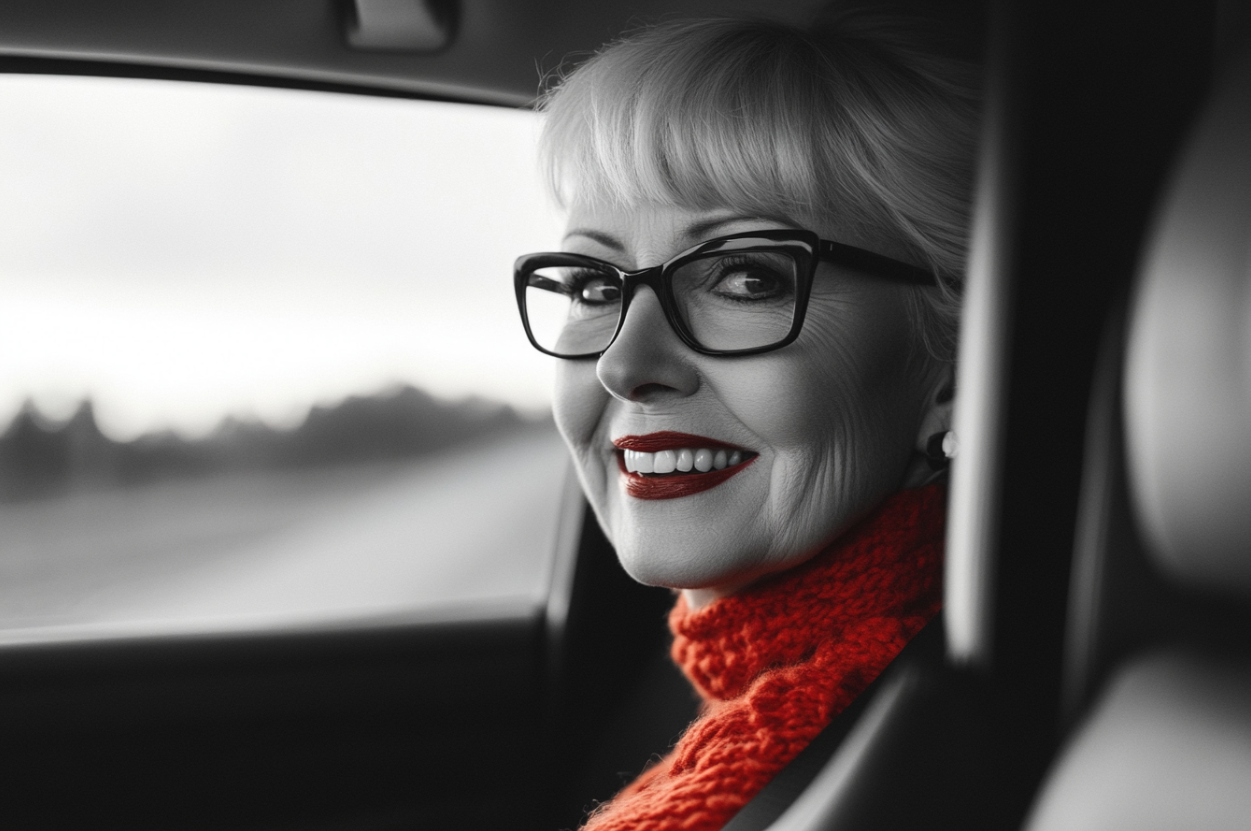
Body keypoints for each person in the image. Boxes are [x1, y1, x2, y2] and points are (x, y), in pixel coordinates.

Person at [514, 7, 979, 830]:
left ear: (949, 364)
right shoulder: (746, 691)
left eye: (744, 278)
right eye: (593, 285)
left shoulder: (909, 742)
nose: (624, 364)